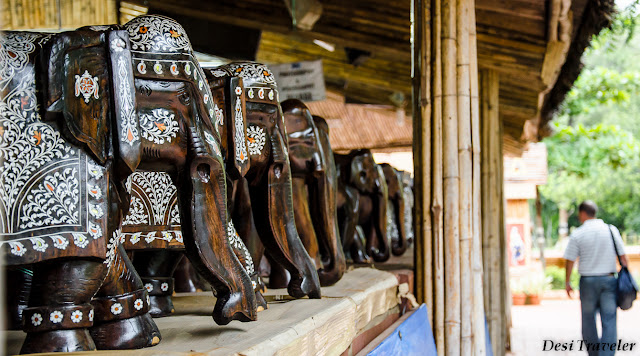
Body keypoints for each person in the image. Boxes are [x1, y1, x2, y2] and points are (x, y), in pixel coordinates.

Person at [564, 201, 629, 356]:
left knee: (588, 320)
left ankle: (594, 354)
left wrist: (567, 282)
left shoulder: (578, 233)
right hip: (608, 281)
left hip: (587, 282)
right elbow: (623, 257)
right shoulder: (610, 230)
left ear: (582, 213)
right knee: (609, 319)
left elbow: (570, 259)